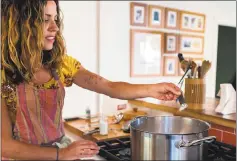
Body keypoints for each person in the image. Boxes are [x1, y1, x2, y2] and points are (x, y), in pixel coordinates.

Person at [1, 0, 181, 160]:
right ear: (20, 24)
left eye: (55, 19)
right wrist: (61, 154)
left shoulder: (61, 64)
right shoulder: (3, 74)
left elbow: (109, 86)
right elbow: (5, 145)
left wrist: (151, 89)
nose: (54, 27)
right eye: (44, 19)